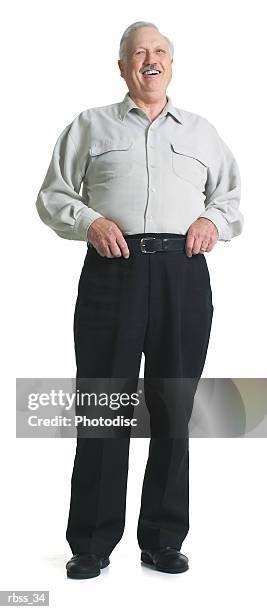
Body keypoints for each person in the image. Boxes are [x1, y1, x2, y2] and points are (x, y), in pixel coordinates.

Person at [35, 21, 243, 579]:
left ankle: (163, 538)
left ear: (171, 64)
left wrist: (211, 219)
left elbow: (231, 198)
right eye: (137, 53)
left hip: (183, 274)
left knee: (174, 407)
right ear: (123, 66)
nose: (149, 60)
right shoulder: (91, 125)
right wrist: (89, 220)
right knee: (105, 407)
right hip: (113, 271)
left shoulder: (200, 132)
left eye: (159, 52)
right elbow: (52, 194)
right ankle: (92, 543)